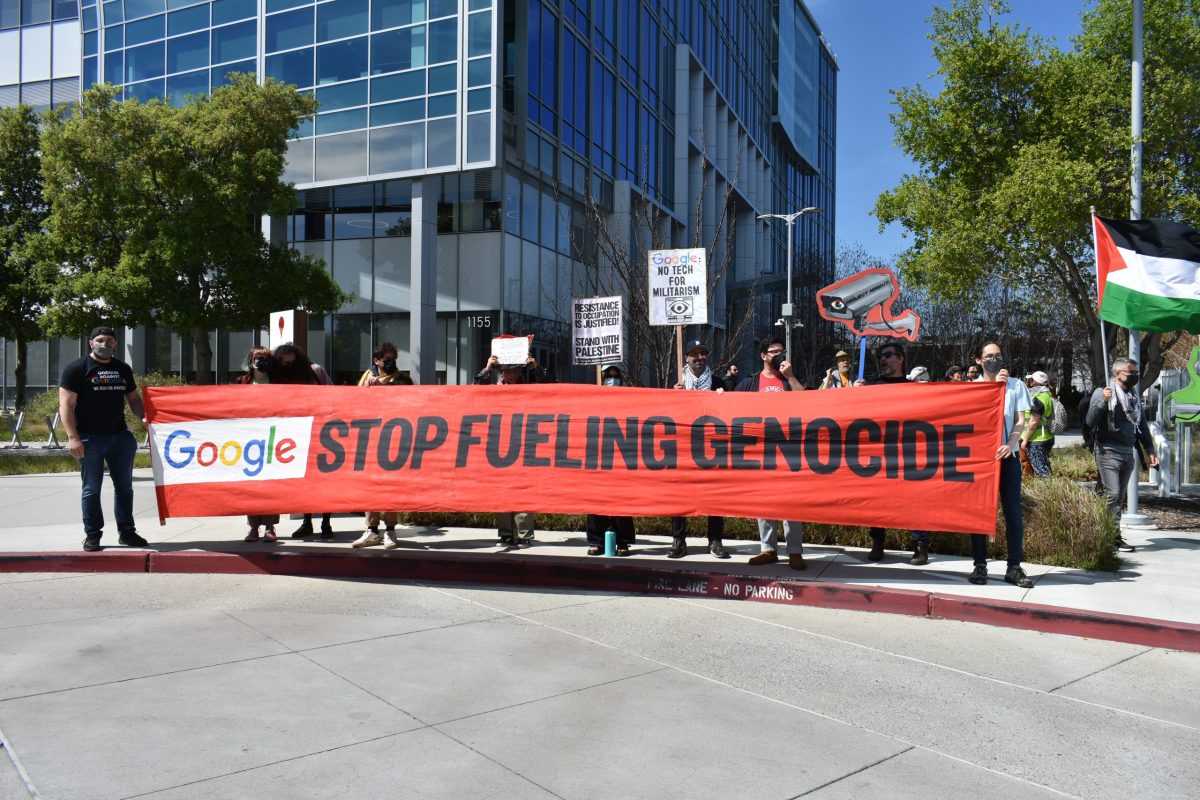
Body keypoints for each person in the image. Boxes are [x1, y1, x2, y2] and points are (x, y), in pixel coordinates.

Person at [59, 326, 149, 552]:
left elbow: (134, 399)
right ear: (91, 343)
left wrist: (145, 417)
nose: (105, 344)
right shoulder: (77, 369)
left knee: (125, 488)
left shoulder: (122, 369)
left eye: (110, 340)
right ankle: (92, 535)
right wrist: (73, 437)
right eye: (100, 340)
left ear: (116, 344)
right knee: (91, 489)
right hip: (89, 439)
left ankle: (127, 532)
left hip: (120, 438)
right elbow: (66, 406)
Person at [968, 342, 1037, 588]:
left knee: (1012, 512)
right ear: (978, 360)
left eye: (998, 355)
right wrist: (993, 387)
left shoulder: (1016, 386)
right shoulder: (972, 389)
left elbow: (1020, 420)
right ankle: (980, 565)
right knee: (979, 512)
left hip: (1007, 457)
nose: (994, 359)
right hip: (981, 459)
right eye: (988, 356)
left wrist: (1011, 443)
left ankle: (1014, 566)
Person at [736, 338, 807, 569]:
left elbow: (807, 400)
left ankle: (794, 551)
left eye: (781, 351)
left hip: (787, 449)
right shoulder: (751, 382)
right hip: (761, 449)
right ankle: (768, 549)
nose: (778, 355)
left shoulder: (788, 380)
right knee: (764, 500)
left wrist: (790, 377)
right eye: (774, 352)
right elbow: (731, 404)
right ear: (764, 356)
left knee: (791, 501)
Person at [858, 343, 931, 565]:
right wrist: (853, 395)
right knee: (877, 501)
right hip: (879, 454)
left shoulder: (914, 389)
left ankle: (920, 545)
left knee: (914, 501)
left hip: (908, 454)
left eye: (888, 355)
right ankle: (878, 543)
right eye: (880, 356)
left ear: (900, 359)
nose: (883, 359)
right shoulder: (870, 388)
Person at [1086, 357, 1158, 553]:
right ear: (1117, 374)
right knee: (1113, 494)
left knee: (1118, 498)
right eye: (1130, 373)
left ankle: (1110, 534)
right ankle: (1108, 536)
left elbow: (1141, 425)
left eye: (1136, 373)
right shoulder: (1103, 392)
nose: (1134, 376)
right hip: (1107, 451)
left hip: (1128, 452)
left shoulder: (1133, 396)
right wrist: (1103, 402)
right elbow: (1090, 421)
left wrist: (1150, 449)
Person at [668, 340, 731, 559]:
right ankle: (679, 541)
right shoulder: (677, 383)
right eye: (694, 354)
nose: (699, 358)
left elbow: (730, 412)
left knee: (716, 496)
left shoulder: (718, 382)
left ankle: (715, 541)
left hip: (711, 448)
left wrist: (723, 399)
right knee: (679, 497)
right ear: (686, 358)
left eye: (703, 354)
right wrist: (672, 397)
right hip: (684, 447)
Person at [476, 350, 544, 546]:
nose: (512, 375)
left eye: (515, 371)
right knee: (501, 490)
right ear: (501, 373)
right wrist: (486, 369)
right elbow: (472, 392)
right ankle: (506, 533)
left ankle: (523, 535)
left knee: (523, 490)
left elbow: (551, 387)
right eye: (507, 372)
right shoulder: (493, 392)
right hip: (499, 445)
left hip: (524, 444)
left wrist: (536, 367)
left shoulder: (530, 389)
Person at [352, 342, 413, 549]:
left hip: (394, 440)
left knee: (390, 487)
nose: (390, 363)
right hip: (370, 439)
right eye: (386, 360)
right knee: (370, 486)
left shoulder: (403, 379)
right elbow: (354, 403)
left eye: (393, 359)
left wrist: (383, 389)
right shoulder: (365, 379)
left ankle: (390, 530)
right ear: (376, 360)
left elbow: (409, 401)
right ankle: (371, 530)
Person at [274, 343, 337, 539]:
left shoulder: (315, 371)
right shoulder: (279, 378)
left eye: (292, 362)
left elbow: (334, 396)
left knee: (326, 482)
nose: (289, 366)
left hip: (321, 434)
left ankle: (326, 522)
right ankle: (306, 521)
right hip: (295, 437)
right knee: (305, 483)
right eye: (285, 363)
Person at [585, 364, 636, 556]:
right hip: (598, 455)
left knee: (621, 500)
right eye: (608, 376)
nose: (612, 380)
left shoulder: (628, 400)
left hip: (621, 456)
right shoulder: (592, 399)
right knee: (595, 498)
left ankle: (623, 540)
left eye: (615, 376)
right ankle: (596, 540)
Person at [235, 346, 281, 542]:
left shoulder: (278, 381)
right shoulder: (242, 382)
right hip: (249, 438)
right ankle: (253, 528)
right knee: (251, 485)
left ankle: (270, 528)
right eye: (257, 357)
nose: (261, 361)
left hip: (274, 436)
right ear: (251, 360)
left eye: (264, 358)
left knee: (271, 485)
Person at [1021, 371, 1056, 478]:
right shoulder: (1048, 395)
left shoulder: (1037, 399)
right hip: (1047, 437)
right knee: (1044, 467)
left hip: (1036, 440)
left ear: (1035, 382)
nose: (1029, 383)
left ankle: (1050, 492)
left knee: (1042, 473)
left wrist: (1025, 440)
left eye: (1031, 380)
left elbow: (1033, 422)